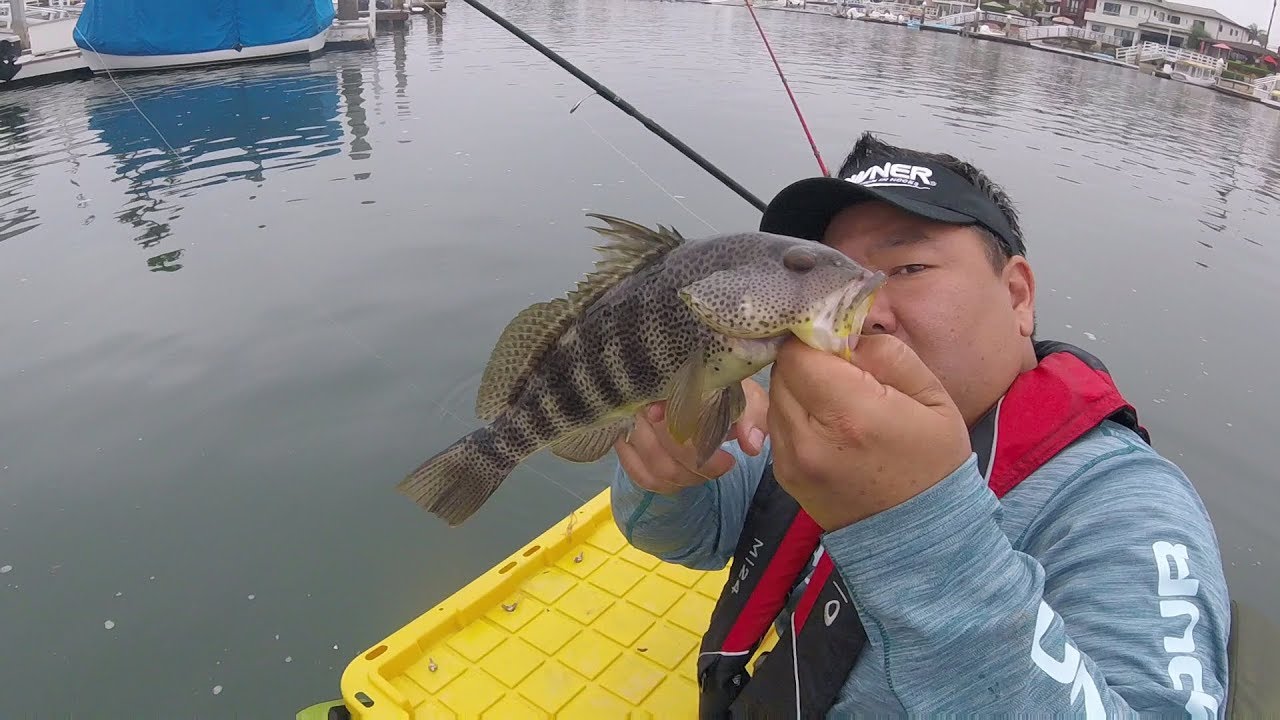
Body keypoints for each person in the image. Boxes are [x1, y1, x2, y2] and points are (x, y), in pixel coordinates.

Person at [610, 131, 1232, 717]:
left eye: (907, 269)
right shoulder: (818, 420)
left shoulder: (1126, 508)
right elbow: (688, 537)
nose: (865, 314)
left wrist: (917, 530)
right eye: (827, 281)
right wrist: (667, 473)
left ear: (1017, 295)